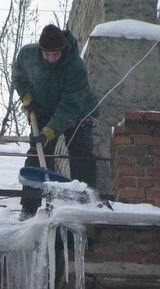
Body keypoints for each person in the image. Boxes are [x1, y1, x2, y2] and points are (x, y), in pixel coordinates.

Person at [12, 24, 99, 219]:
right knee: (38, 151)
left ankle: (86, 203)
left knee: (81, 151)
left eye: (56, 54)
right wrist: (27, 99)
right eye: (47, 54)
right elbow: (18, 77)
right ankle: (29, 208)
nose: (51, 58)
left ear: (63, 50)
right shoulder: (27, 55)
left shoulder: (75, 66)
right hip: (42, 106)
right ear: (41, 50)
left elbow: (70, 106)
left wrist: (48, 133)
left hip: (78, 109)